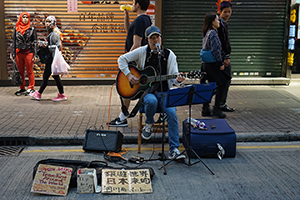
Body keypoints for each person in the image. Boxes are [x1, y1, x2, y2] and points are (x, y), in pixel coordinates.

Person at [118, 26, 186, 160]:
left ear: (161, 38)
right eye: (152, 38)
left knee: (172, 113)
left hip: (165, 93)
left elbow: (174, 78)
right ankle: (149, 123)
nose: (155, 40)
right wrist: (129, 75)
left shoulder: (169, 54)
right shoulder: (142, 51)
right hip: (147, 93)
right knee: (151, 100)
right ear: (147, 40)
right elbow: (121, 59)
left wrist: (178, 80)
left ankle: (174, 150)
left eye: (157, 37)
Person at [109, 0, 151, 127]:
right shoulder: (145, 19)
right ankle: (123, 116)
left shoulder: (139, 21)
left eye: (133, 2)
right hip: (138, 59)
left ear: (137, 4)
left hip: (134, 60)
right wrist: (126, 16)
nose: (132, 5)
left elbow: (137, 44)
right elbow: (129, 32)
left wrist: (126, 59)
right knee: (127, 87)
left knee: (125, 87)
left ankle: (122, 118)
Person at [30, 15, 67, 102]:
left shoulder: (54, 33)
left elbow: (57, 47)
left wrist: (45, 45)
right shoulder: (52, 32)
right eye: (46, 21)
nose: (47, 24)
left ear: (53, 23)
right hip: (52, 58)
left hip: (52, 58)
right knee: (51, 77)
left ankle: (39, 93)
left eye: (49, 22)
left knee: (48, 76)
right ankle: (60, 94)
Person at [201, 13, 230, 118]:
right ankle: (216, 108)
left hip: (206, 64)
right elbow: (216, 50)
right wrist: (220, 63)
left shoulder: (207, 32)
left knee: (211, 86)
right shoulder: (213, 33)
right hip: (213, 64)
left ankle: (205, 108)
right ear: (212, 22)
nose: (219, 22)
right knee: (222, 83)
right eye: (217, 20)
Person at [11, 12, 38, 96]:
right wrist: (12, 53)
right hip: (19, 53)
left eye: (27, 17)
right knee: (20, 71)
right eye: (23, 17)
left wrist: (35, 54)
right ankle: (22, 87)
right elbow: (14, 41)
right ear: (21, 18)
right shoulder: (16, 28)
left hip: (28, 52)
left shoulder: (32, 29)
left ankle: (31, 88)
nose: (25, 19)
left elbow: (35, 42)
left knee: (29, 71)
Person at [217, 1, 235, 112]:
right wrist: (225, 57)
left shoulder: (222, 23)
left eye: (229, 11)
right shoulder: (220, 24)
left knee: (220, 82)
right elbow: (223, 42)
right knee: (224, 81)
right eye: (225, 12)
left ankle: (216, 104)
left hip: (221, 57)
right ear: (220, 11)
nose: (227, 14)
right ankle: (219, 105)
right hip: (222, 58)